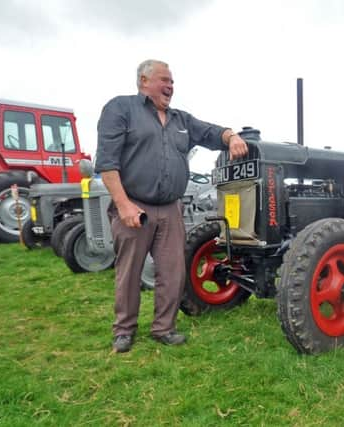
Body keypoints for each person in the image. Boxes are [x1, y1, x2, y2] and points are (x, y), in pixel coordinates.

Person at [95, 59, 248, 353]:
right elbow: (107, 163)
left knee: (172, 271)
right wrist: (123, 205)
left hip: (170, 208)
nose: (170, 87)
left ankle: (163, 328)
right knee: (129, 272)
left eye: (173, 82)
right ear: (143, 81)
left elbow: (209, 132)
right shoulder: (120, 109)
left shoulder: (180, 120)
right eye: (164, 80)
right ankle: (124, 331)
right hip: (134, 207)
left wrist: (232, 136)